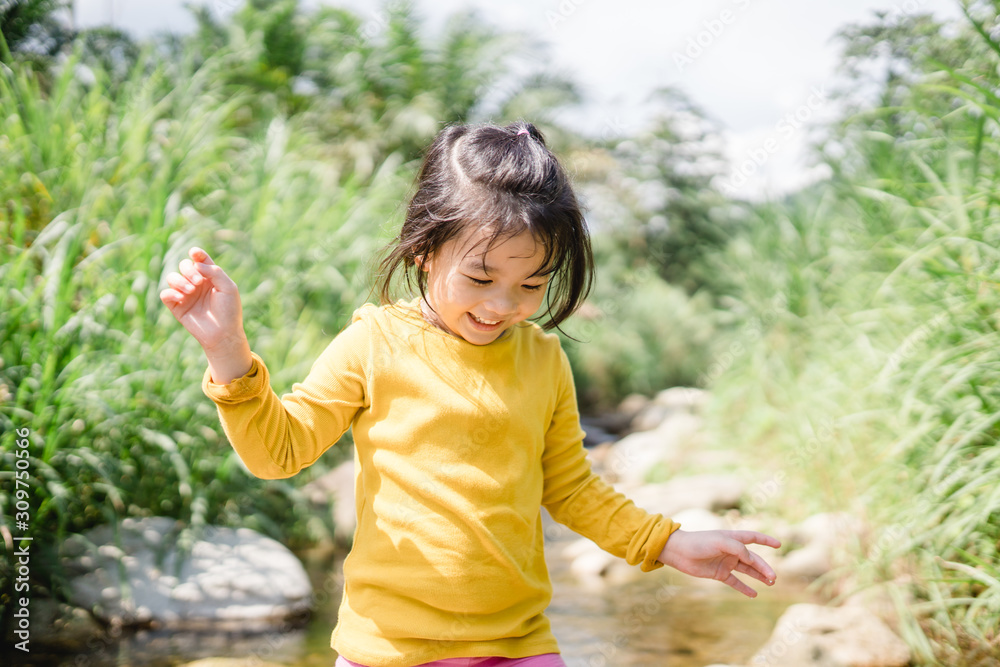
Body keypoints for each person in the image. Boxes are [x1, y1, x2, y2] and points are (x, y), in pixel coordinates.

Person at [160, 121, 781, 667]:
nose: (502, 306)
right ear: (426, 252)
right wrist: (229, 353)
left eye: (531, 284)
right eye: (481, 277)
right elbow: (279, 453)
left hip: (517, 644)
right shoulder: (374, 343)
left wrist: (669, 543)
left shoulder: (541, 358)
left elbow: (571, 489)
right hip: (391, 651)